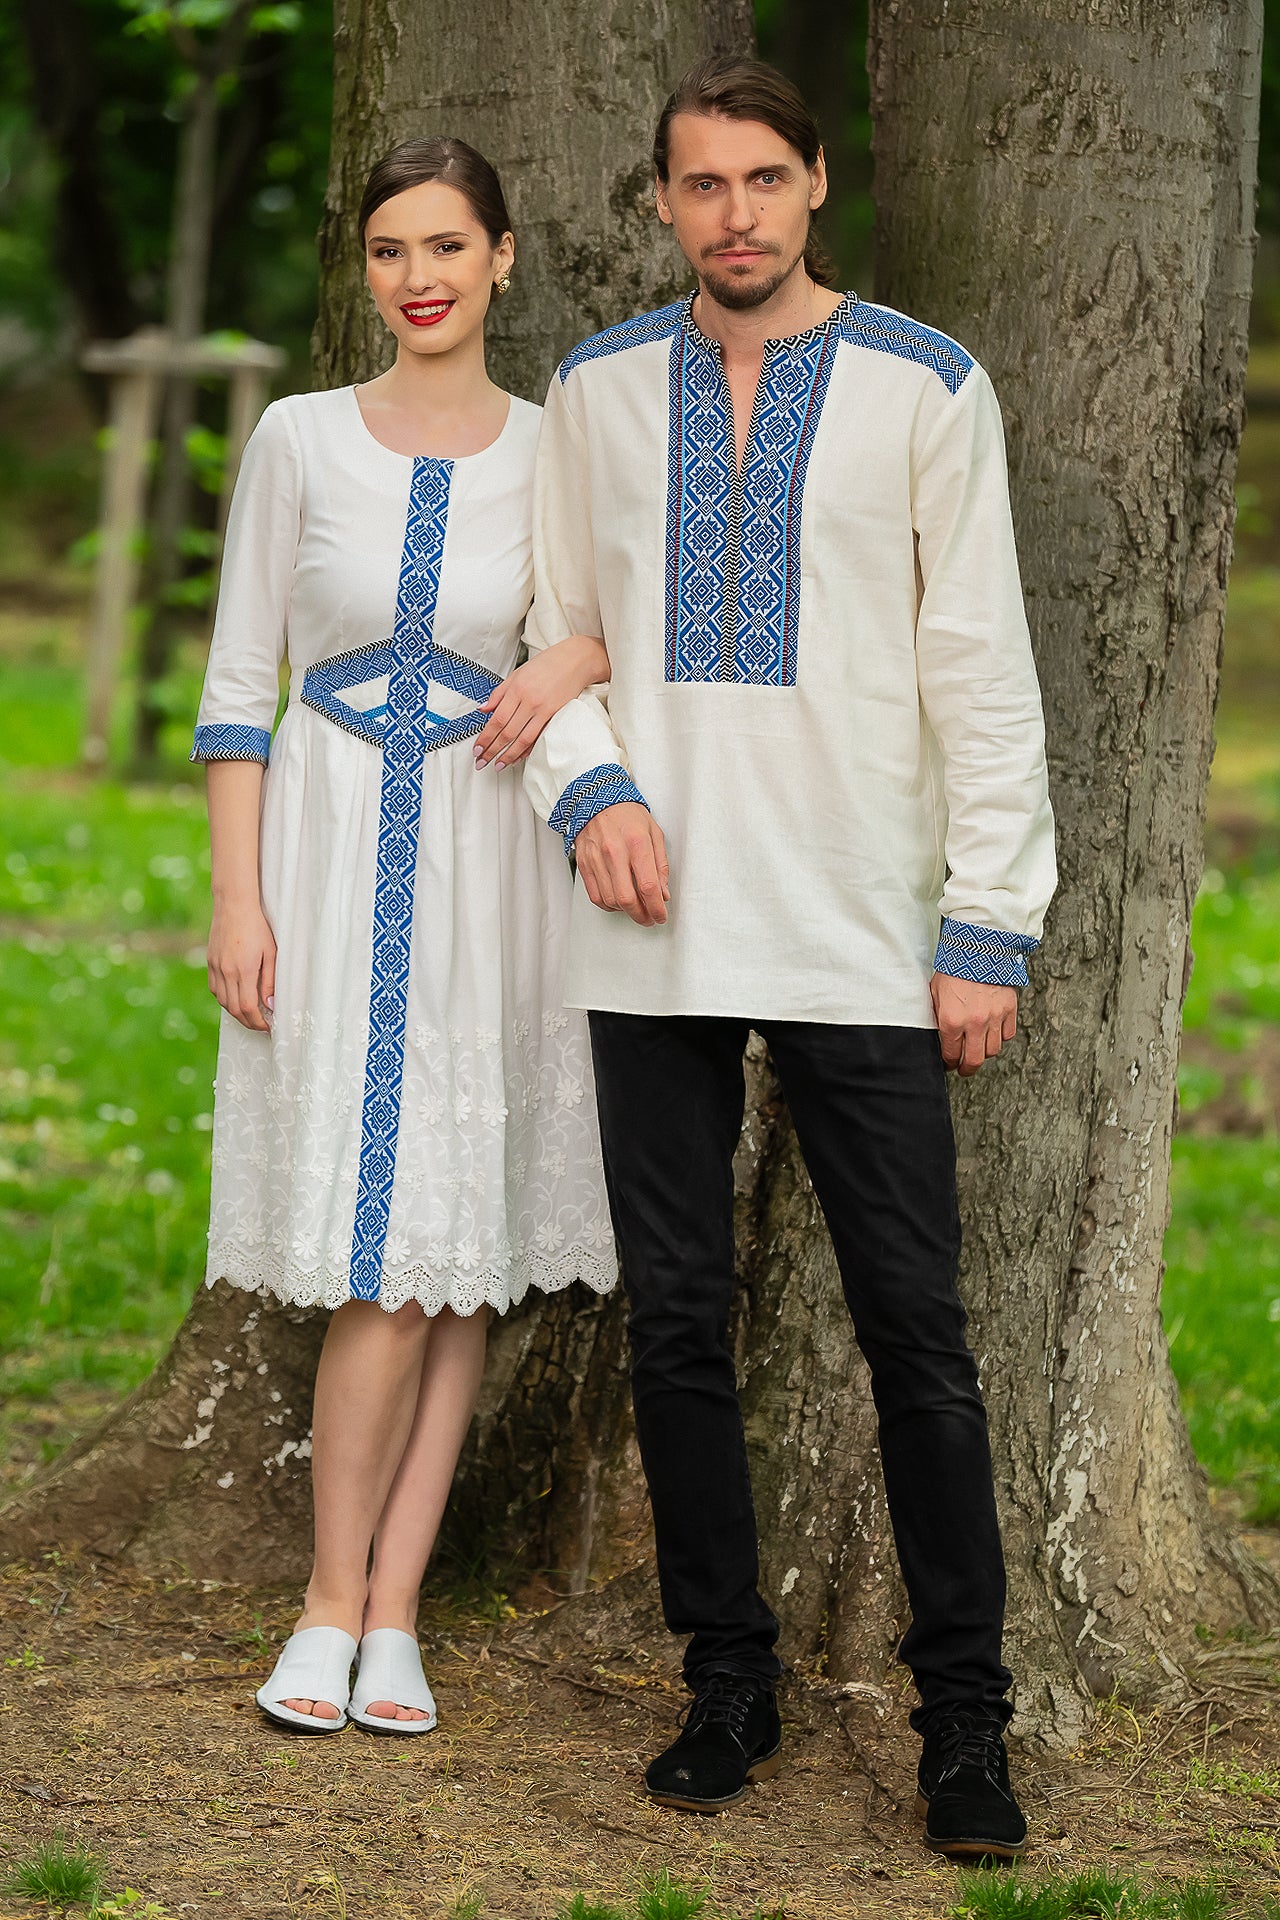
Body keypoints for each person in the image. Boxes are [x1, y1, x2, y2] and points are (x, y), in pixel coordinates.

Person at [522, 57, 1056, 1860]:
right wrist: (590, 787)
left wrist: (986, 922)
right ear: (664, 200)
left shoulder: (925, 383)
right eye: (702, 183)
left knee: (919, 1332)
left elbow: (981, 663)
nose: (734, 212)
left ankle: (964, 1723)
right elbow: (551, 629)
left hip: (859, 921)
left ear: (817, 182)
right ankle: (726, 1683)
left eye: (764, 178)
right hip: (650, 923)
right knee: (676, 1322)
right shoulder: (595, 387)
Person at [192, 136, 616, 1736]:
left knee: (461, 1254)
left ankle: (394, 1615)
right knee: (381, 1259)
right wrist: (238, 896)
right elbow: (237, 687)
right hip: (322, 857)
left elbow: (604, 621)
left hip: (489, 869)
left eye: (446, 246)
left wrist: (570, 660)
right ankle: (324, 1603)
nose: (418, 277)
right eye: (389, 251)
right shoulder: (297, 439)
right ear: (364, 272)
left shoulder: (554, 451)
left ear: (502, 258)